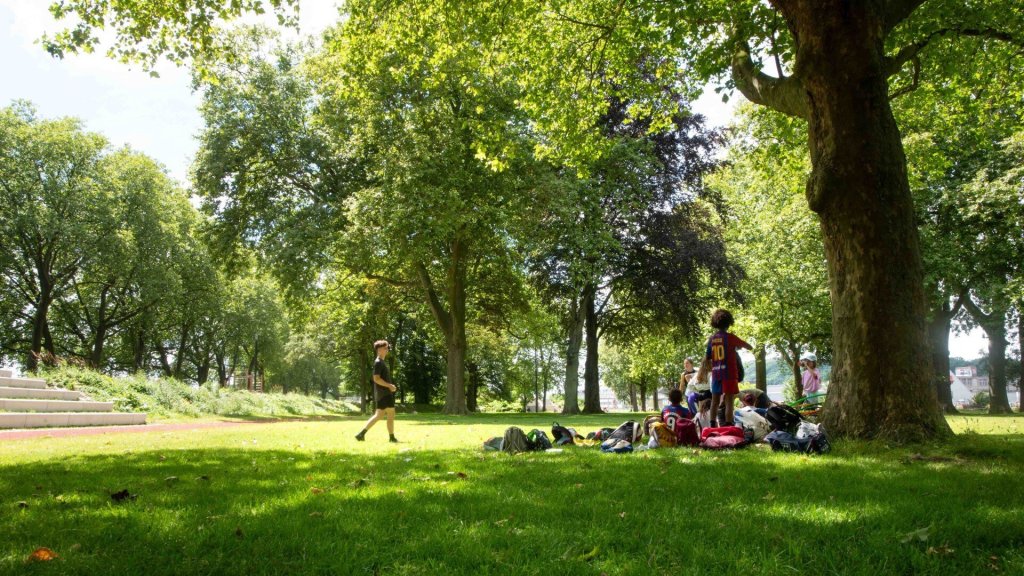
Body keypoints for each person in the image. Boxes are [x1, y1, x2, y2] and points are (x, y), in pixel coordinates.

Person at [704, 309, 752, 427]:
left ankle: (712, 424)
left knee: (715, 401)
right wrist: (736, 347)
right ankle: (729, 425)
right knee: (729, 400)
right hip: (729, 373)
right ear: (729, 322)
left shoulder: (712, 339)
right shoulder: (731, 337)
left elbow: (708, 356)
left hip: (716, 373)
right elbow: (749, 346)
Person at [355, 340, 398, 443]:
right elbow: (376, 379)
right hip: (384, 393)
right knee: (390, 414)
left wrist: (389, 386)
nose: (387, 350)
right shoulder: (378, 362)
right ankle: (392, 438)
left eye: (387, 348)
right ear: (379, 350)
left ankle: (361, 434)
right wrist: (389, 386)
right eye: (385, 348)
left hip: (382, 394)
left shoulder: (381, 362)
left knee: (379, 415)